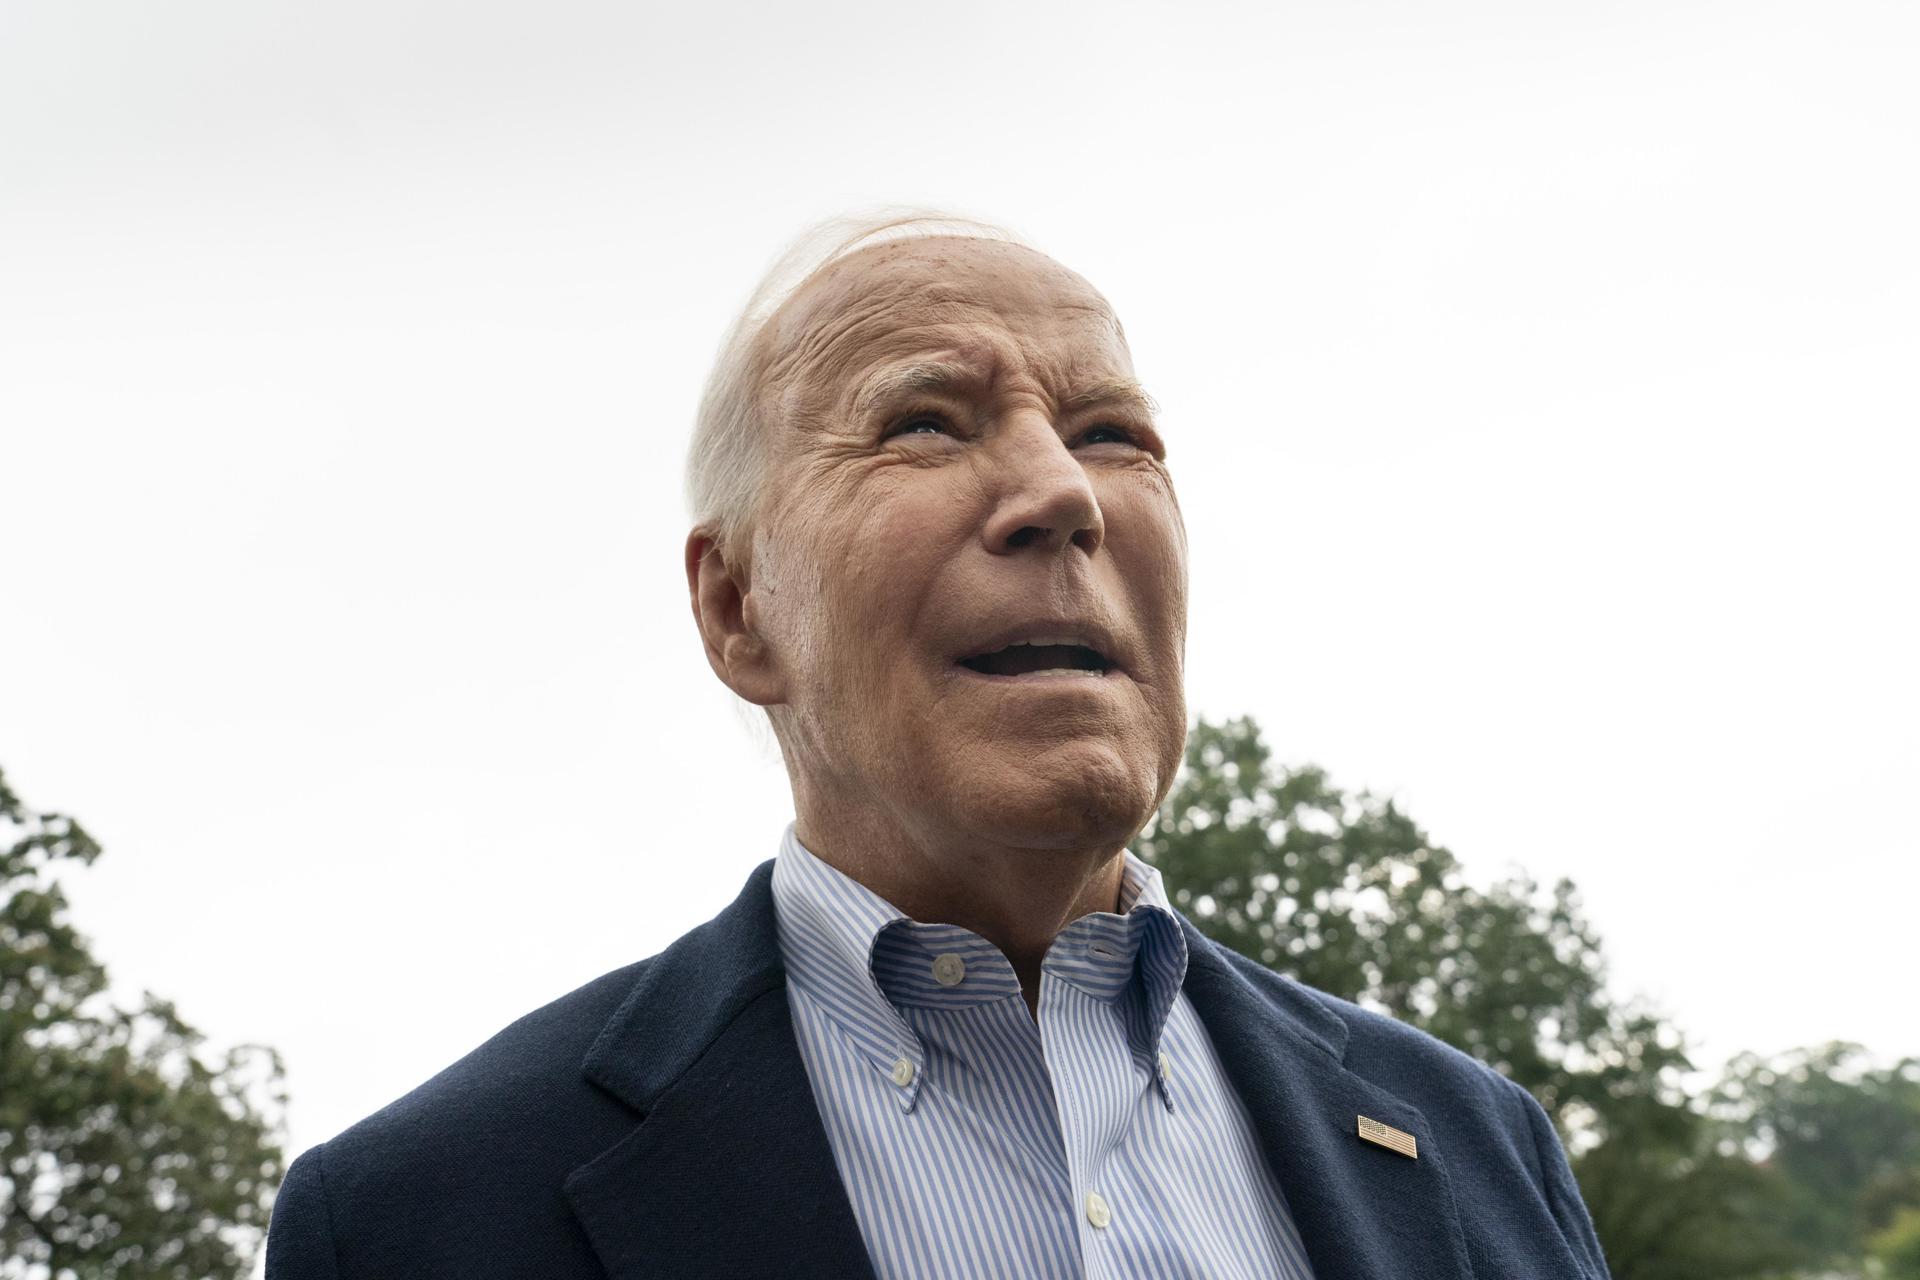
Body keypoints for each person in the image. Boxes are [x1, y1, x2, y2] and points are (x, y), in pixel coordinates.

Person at [264, 212, 1611, 1279]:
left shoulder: (1482, 1153)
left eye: (1110, 435)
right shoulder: (420, 1222)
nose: (1063, 496)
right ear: (738, 610)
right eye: (924, 423)